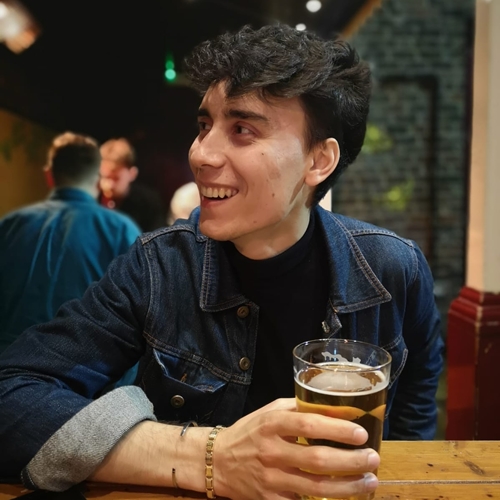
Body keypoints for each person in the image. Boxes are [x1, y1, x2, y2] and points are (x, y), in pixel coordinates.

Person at [0, 25, 443, 500]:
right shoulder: (159, 266)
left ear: (319, 161)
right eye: (204, 125)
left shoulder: (392, 268)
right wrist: (210, 457)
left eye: (242, 129)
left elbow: (416, 398)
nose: (201, 153)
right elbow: (12, 393)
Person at [0, 132, 141, 355]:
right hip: (81, 369)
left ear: (49, 175)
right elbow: (136, 316)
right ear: (97, 179)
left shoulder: (10, 225)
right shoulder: (121, 230)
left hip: (9, 362)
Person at [99, 137, 166, 232]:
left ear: (132, 174)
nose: (109, 185)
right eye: (105, 177)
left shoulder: (149, 202)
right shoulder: (93, 199)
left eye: (116, 178)